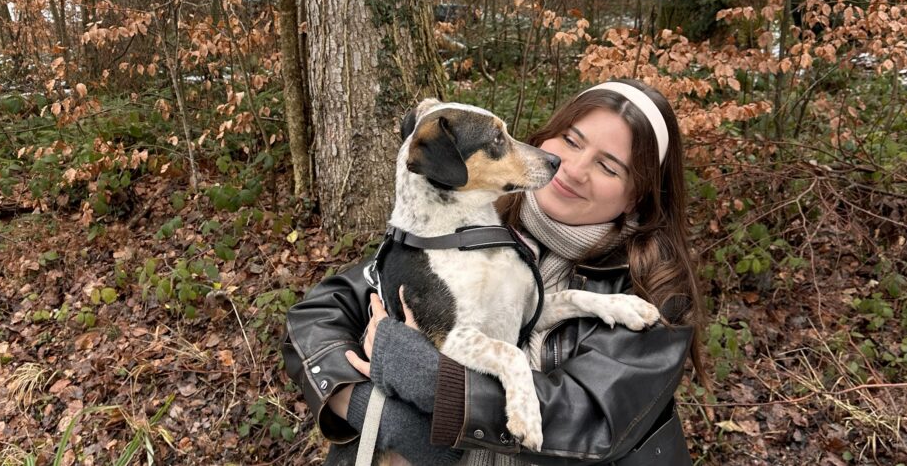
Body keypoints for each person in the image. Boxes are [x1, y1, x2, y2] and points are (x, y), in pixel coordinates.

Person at [282, 79, 706, 465]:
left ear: (636, 196)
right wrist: (359, 404)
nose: (574, 169)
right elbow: (316, 315)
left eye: (609, 167)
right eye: (571, 141)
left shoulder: (657, 291)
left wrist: (436, 381)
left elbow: (592, 423)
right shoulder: (467, 225)